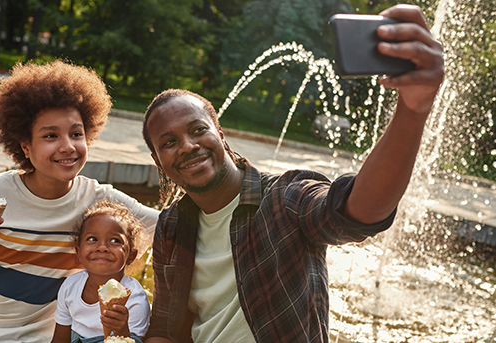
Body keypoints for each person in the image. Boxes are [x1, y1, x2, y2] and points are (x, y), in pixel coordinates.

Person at [141, 5, 444, 343]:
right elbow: (166, 326)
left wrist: (413, 110)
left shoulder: (285, 199)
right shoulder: (170, 224)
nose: (187, 146)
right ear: (158, 160)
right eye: (169, 142)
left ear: (221, 135)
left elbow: (358, 212)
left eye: (198, 130)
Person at [0, 60, 158, 343]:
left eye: (76, 133)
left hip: (37, 337)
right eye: (51, 135)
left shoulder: (100, 201)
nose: (67, 146)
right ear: (26, 146)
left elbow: (168, 224)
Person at [51, 200, 151, 343]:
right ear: (78, 252)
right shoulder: (70, 286)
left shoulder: (135, 299)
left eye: (115, 240)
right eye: (92, 239)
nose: (102, 247)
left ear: (131, 255)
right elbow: (60, 339)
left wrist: (121, 330)